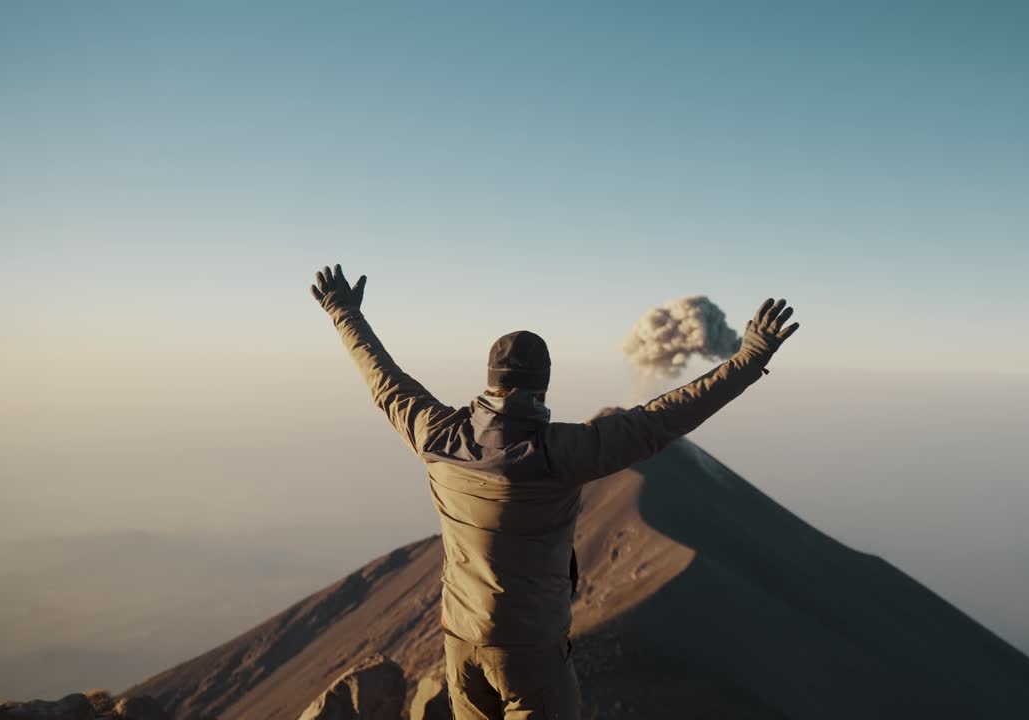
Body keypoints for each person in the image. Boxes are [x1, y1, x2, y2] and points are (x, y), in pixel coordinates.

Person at [311, 263, 799, 720]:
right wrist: (751, 358)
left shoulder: (436, 434)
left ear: (490, 381)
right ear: (542, 388)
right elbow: (664, 419)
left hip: (458, 640)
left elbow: (384, 382)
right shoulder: (563, 452)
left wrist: (344, 313)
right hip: (529, 654)